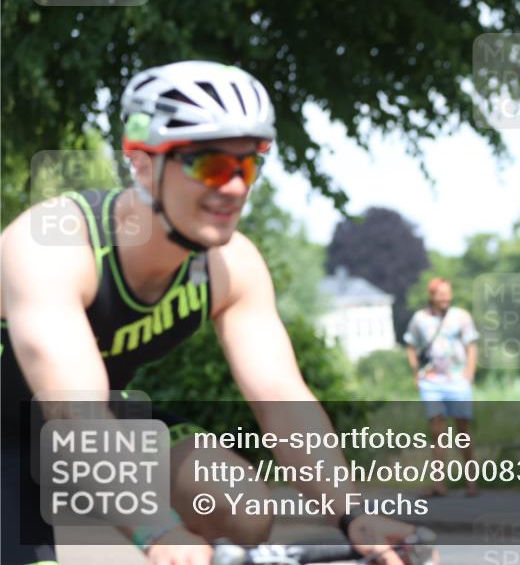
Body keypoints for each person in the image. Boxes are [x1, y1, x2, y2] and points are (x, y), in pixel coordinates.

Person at [0, 61, 418, 565]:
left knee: (242, 509)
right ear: (143, 163)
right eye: (210, 165)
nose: (236, 187)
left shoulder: (231, 265)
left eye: (249, 165)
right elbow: (75, 412)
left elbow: (281, 398)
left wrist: (354, 515)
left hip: (86, 423)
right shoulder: (55, 243)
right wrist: (156, 531)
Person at [404, 277, 479, 497]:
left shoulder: (461, 317)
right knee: (438, 432)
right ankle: (439, 484)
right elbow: (410, 344)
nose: (446, 297)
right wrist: (415, 371)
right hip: (432, 382)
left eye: (448, 293)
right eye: (441, 294)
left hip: (457, 381)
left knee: (463, 430)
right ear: (432, 296)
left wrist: (469, 373)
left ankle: (471, 482)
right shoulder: (420, 319)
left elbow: (471, 346)